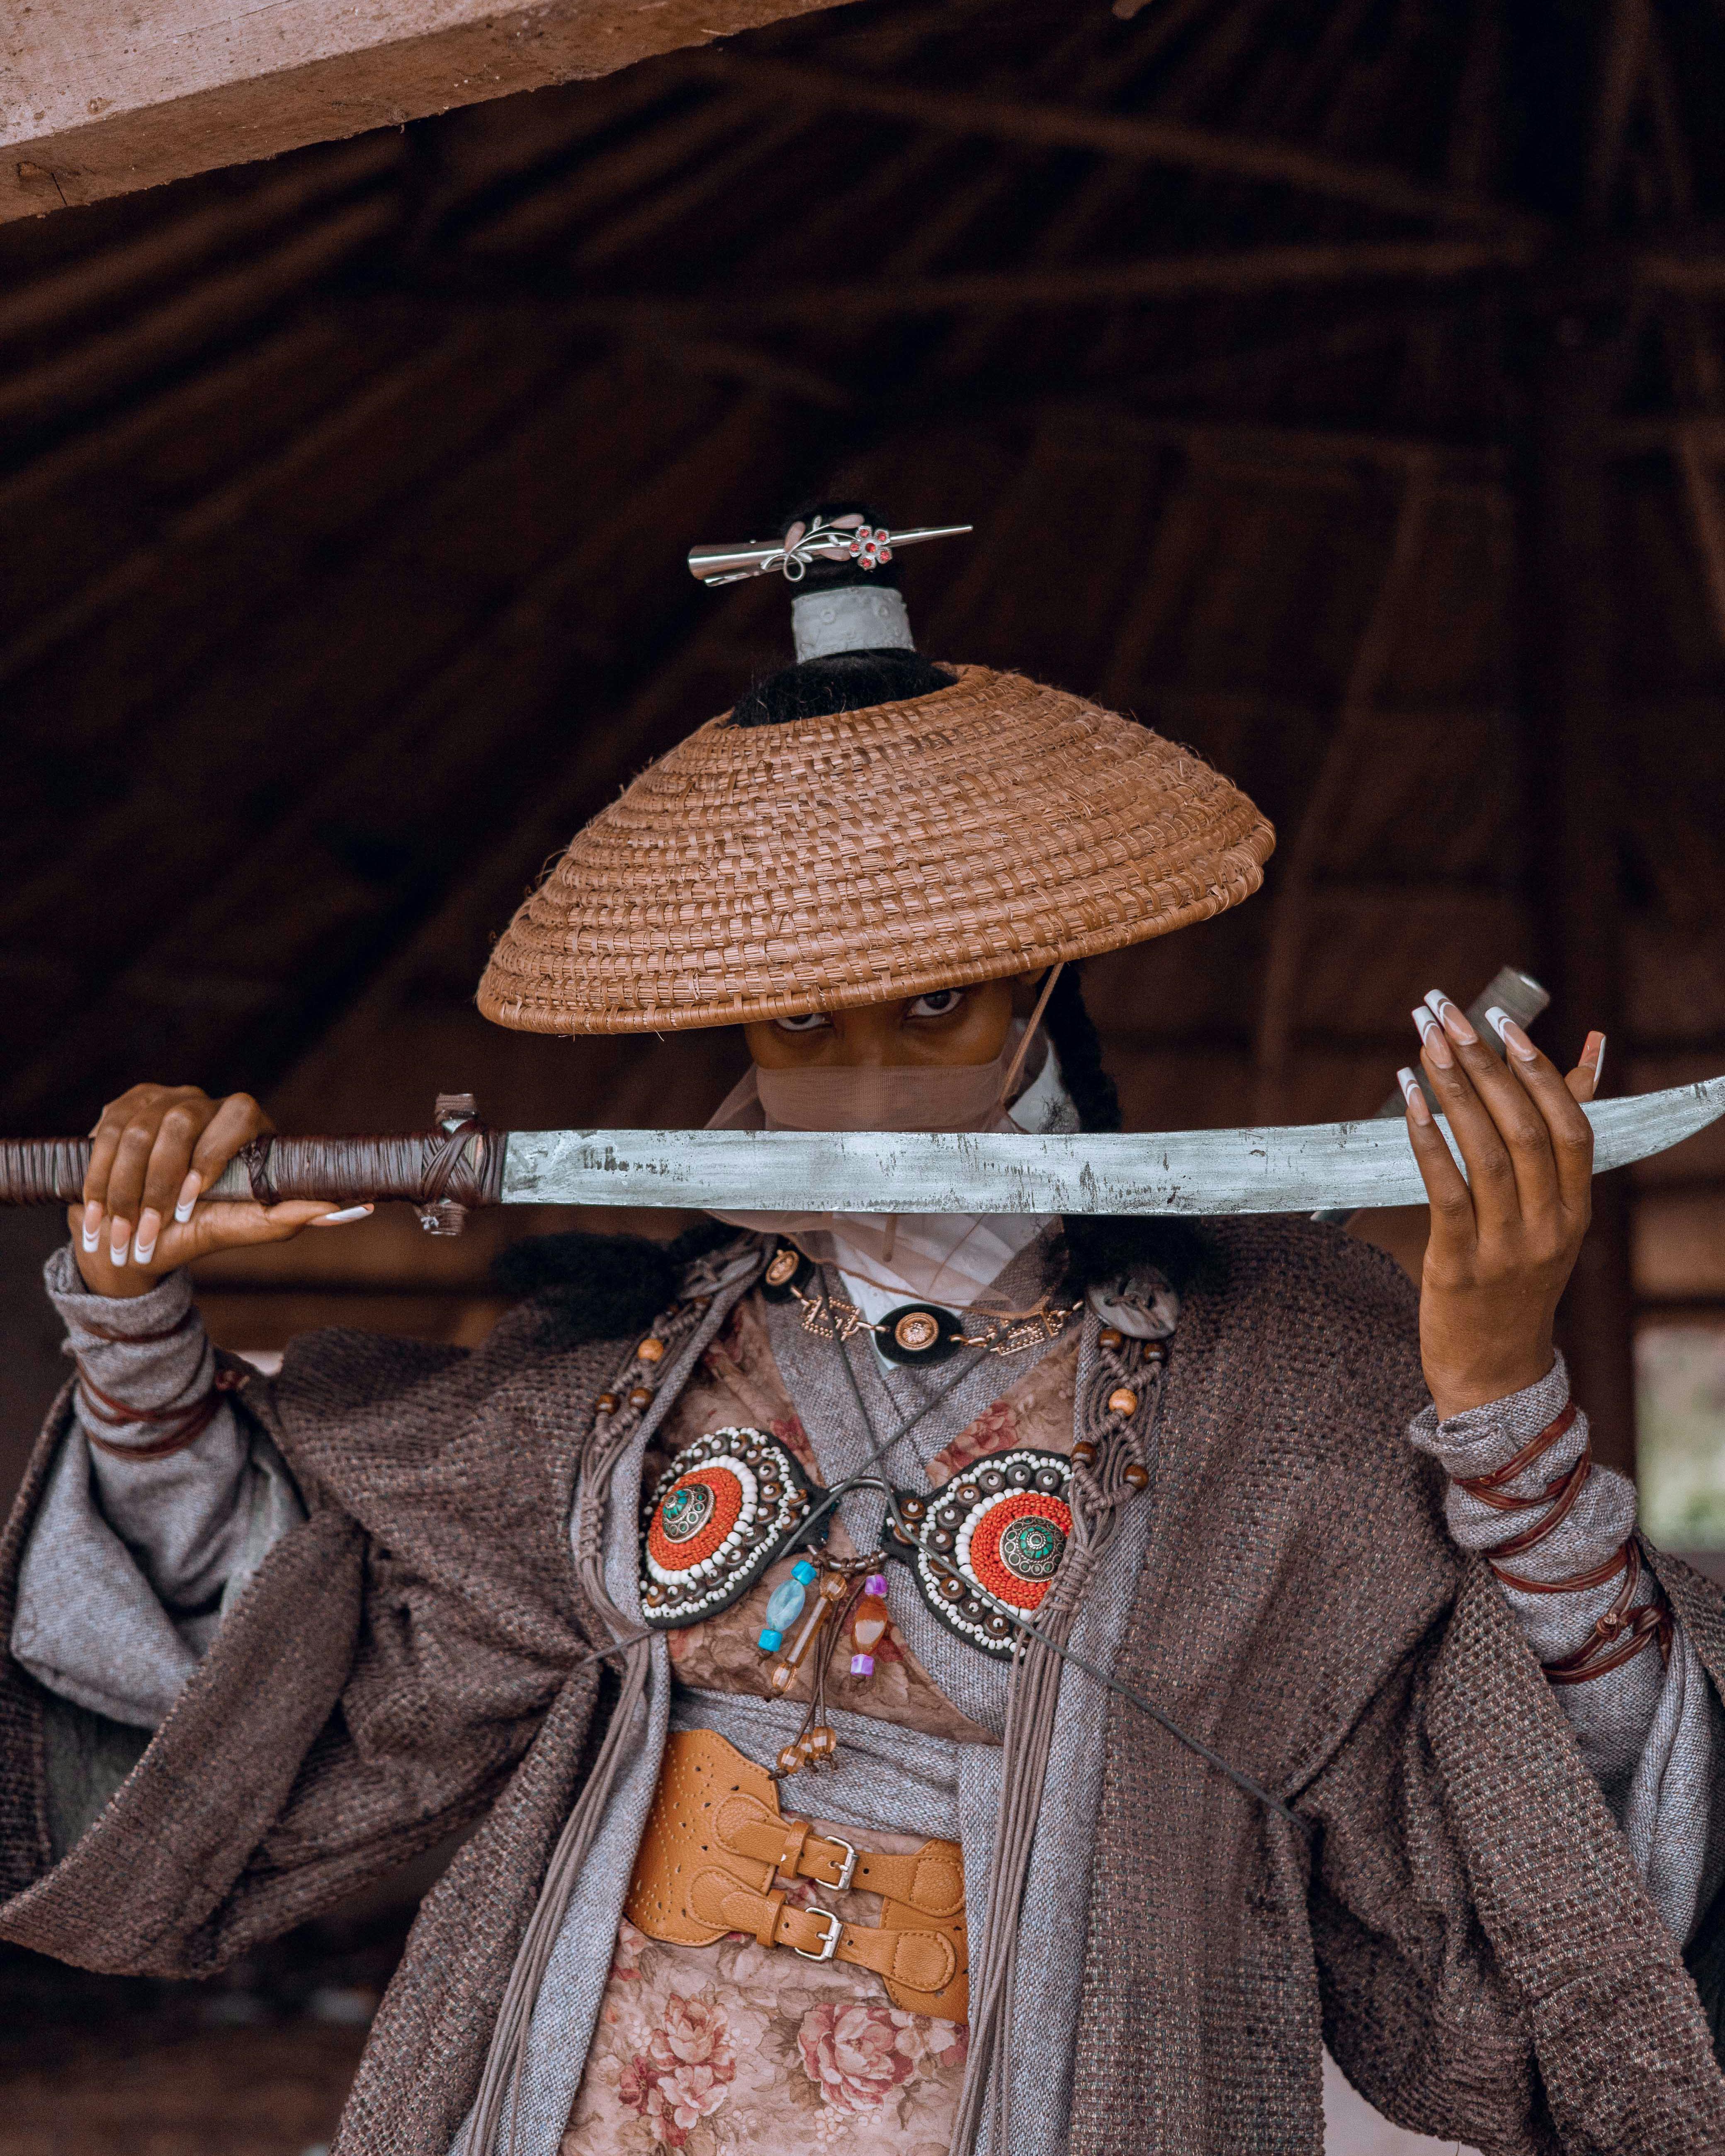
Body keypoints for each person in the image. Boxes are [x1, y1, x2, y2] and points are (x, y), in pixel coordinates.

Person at [2, 503, 1722, 2156]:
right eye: (801, 1016)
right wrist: (139, 1319)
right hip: (594, 2098)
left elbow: (1548, 1854)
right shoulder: (615, 1392)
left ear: (1045, 966)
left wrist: (1495, 1392)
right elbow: (278, 1670)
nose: (868, 1065)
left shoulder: (1285, 1380)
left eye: (931, 994)